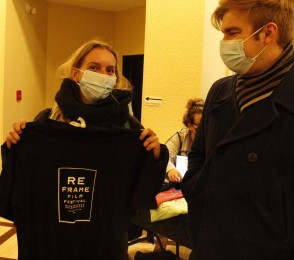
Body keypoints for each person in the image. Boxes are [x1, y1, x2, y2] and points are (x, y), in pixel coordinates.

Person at [0, 39, 168, 259]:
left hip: (103, 244)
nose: (103, 75)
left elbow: (142, 196)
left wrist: (155, 155)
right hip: (52, 244)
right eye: (94, 67)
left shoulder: (128, 128)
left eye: (110, 70)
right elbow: (21, 183)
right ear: (76, 73)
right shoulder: (47, 121)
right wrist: (14, 146)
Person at [182, 0, 294, 259]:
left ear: (268, 33)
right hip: (212, 242)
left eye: (232, 32)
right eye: (223, 32)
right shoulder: (220, 91)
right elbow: (198, 155)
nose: (223, 41)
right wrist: (196, 188)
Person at [165, 98, 204, 183]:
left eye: (205, 126)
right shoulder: (179, 138)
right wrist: (171, 170)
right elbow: (165, 158)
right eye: (199, 128)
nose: (203, 132)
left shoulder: (211, 138)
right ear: (189, 125)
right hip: (180, 183)